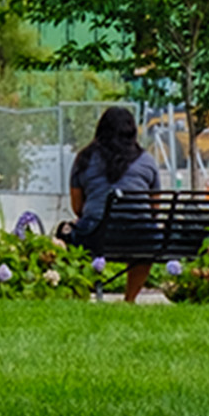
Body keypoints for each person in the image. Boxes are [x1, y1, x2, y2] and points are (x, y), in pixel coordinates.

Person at [65, 106, 162, 301]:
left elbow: (77, 209)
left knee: (69, 232)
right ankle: (129, 299)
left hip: (96, 235)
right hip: (140, 237)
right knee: (148, 235)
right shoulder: (147, 161)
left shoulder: (83, 159)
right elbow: (155, 207)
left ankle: (81, 292)